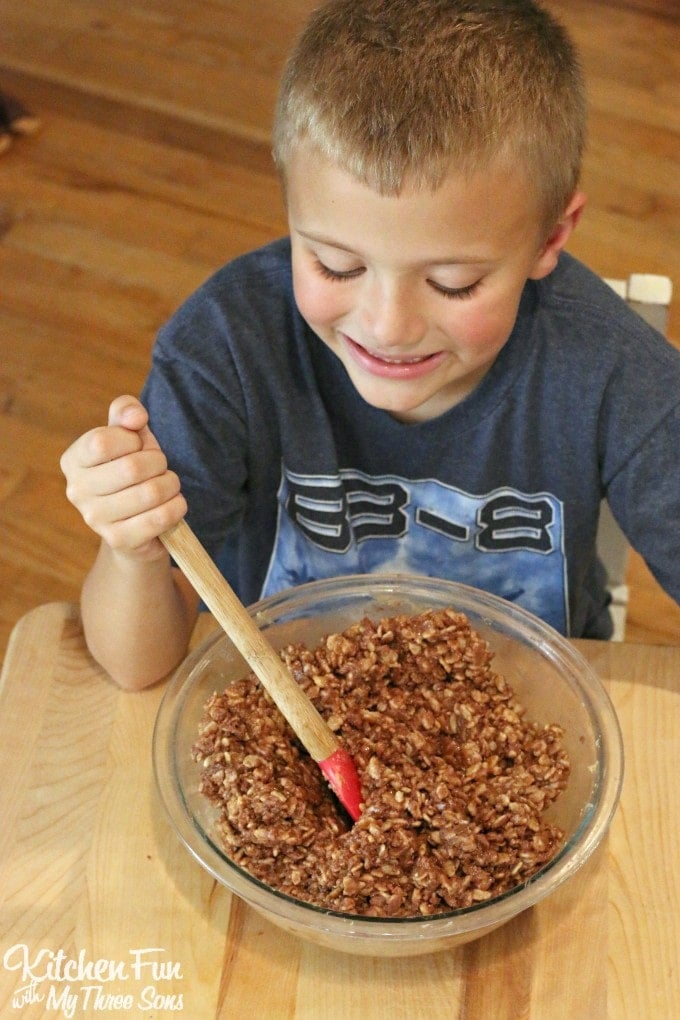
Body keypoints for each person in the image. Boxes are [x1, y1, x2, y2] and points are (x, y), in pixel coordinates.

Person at [60, 0, 680, 690]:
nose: (388, 326)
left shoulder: (619, 374)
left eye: (454, 282)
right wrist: (134, 553)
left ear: (551, 239)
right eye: (337, 266)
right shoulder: (225, 348)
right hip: (274, 696)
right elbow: (136, 665)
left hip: (535, 705)